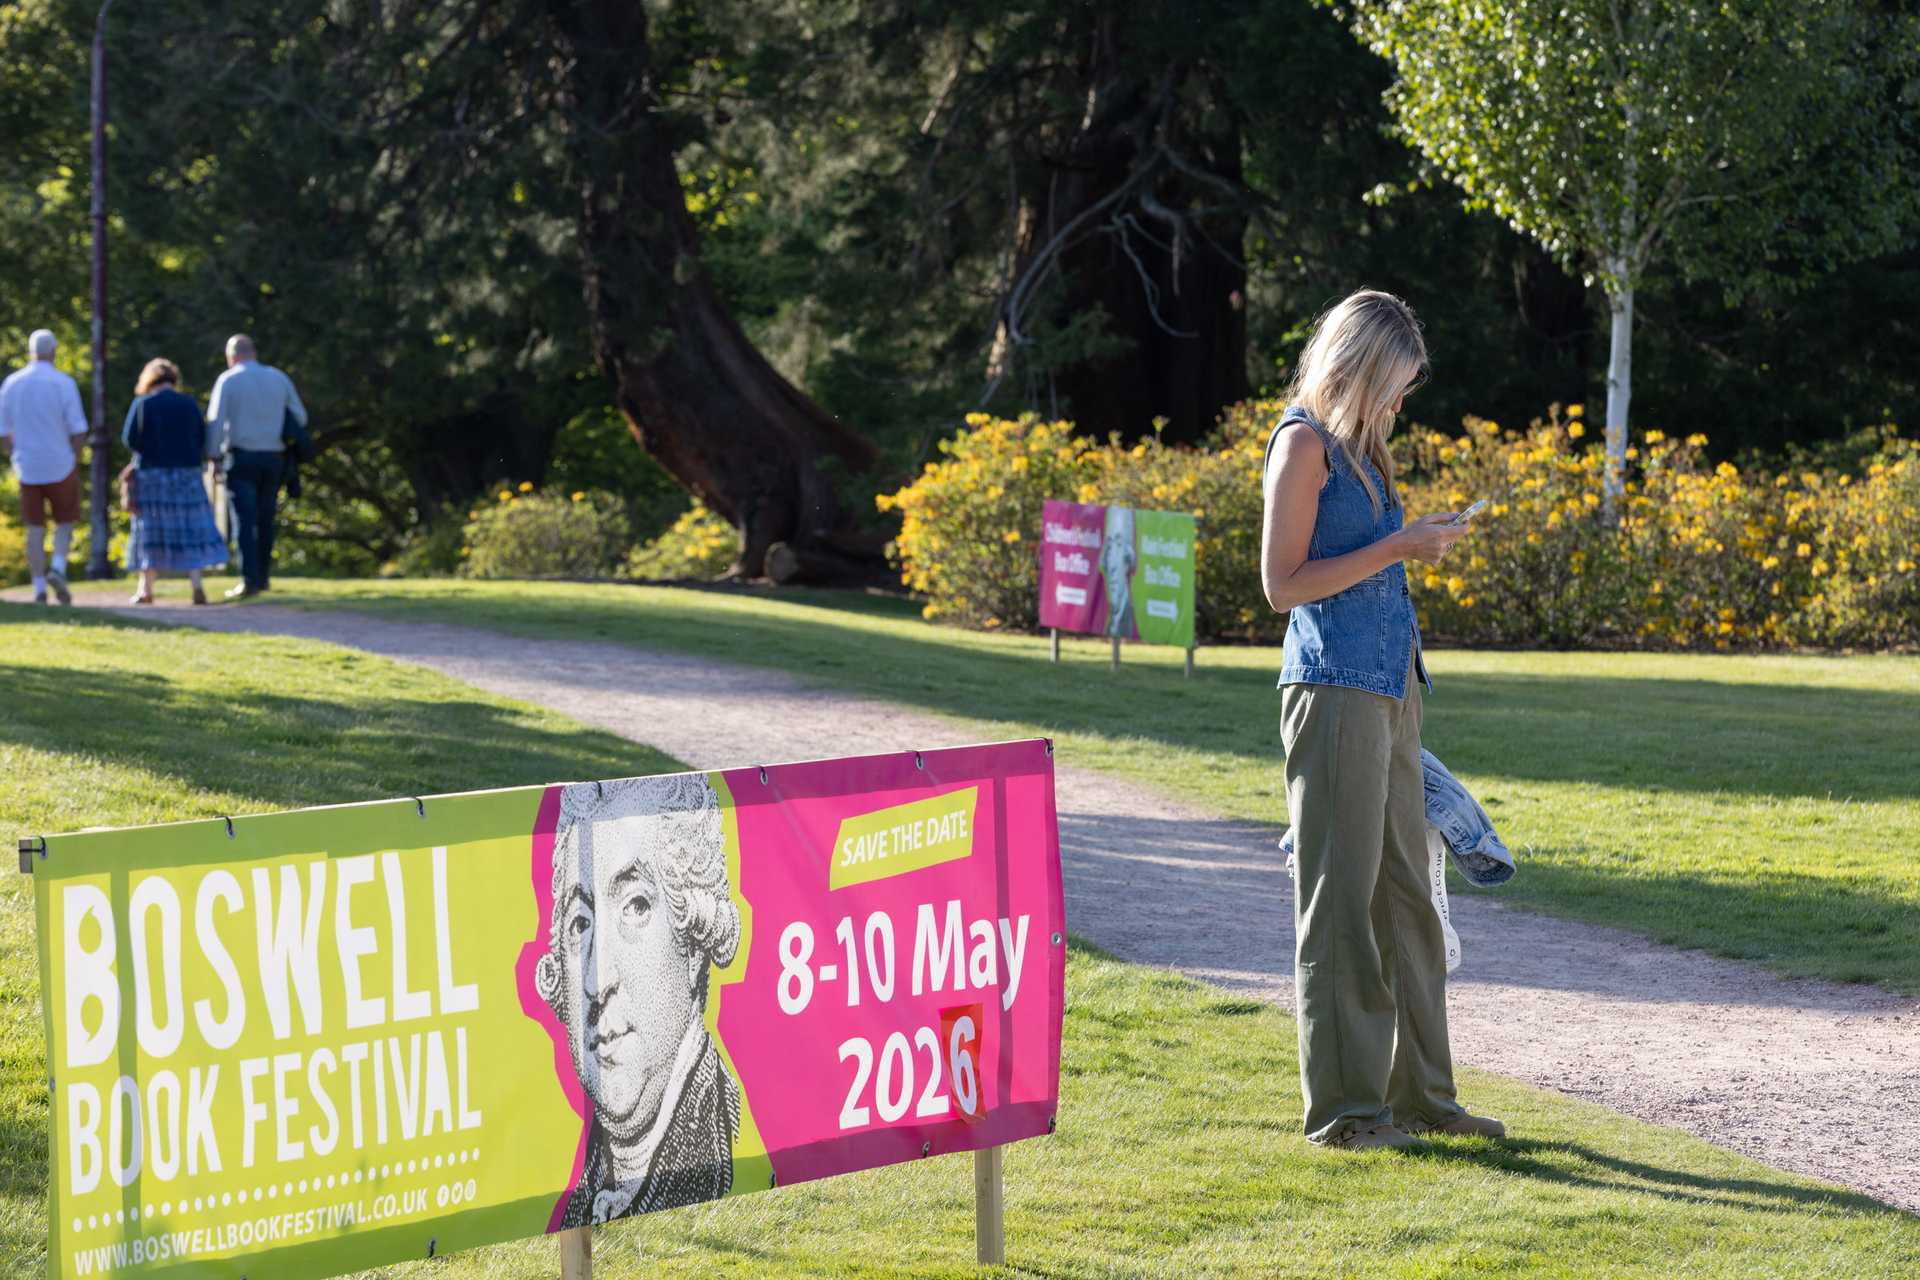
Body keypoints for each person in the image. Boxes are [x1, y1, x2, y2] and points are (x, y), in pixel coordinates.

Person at [1260, 289, 1504, 1151]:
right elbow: (1282, 586)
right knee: (1341, 903)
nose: (1403, 402)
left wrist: (1412, 540)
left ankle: (1425, 1098)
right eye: (1396, 384)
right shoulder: (1303, 445)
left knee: (1410, 895)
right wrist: (1401, 545)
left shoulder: (1365, 449)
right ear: (1359, 370)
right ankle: (1345, 1112)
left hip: (1392, 689)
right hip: (1332, 694)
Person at [533, 772, 742, 1224]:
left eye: (636, 906)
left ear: (692, 946)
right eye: (580, 923)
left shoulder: (712, 1152)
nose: (597, 977)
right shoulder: (588, 1189)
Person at [203, 334, 305, 599]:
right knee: (266, 518)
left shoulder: (229, 380)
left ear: (232, 356)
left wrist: (213, 457)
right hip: (274, 457)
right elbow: (300, 417)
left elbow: (215, 422)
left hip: (242, 457)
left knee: (244, 520)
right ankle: (264, 577)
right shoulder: (278, 378)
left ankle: (249, 579)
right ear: (254, 352)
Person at [122, 358, 226, 604]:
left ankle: (146, 589)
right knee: (191, 530)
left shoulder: (143, 404)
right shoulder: (189, 404)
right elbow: (202, 437)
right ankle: (197, 585)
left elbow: (129, 440)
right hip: (187, 475)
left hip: (153, 476)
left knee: (149, 531)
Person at [0, 329, 88, 605]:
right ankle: (58, 567)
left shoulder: (12, 383)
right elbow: (78, 429)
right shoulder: (63, 383)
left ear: (30, 350)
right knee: (65, 521)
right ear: (54, 350)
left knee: (34, 528)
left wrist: (15, 455)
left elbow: (3, 432)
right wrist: (73, 455)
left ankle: (38, 586)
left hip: (27, 465)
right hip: (60, 462)